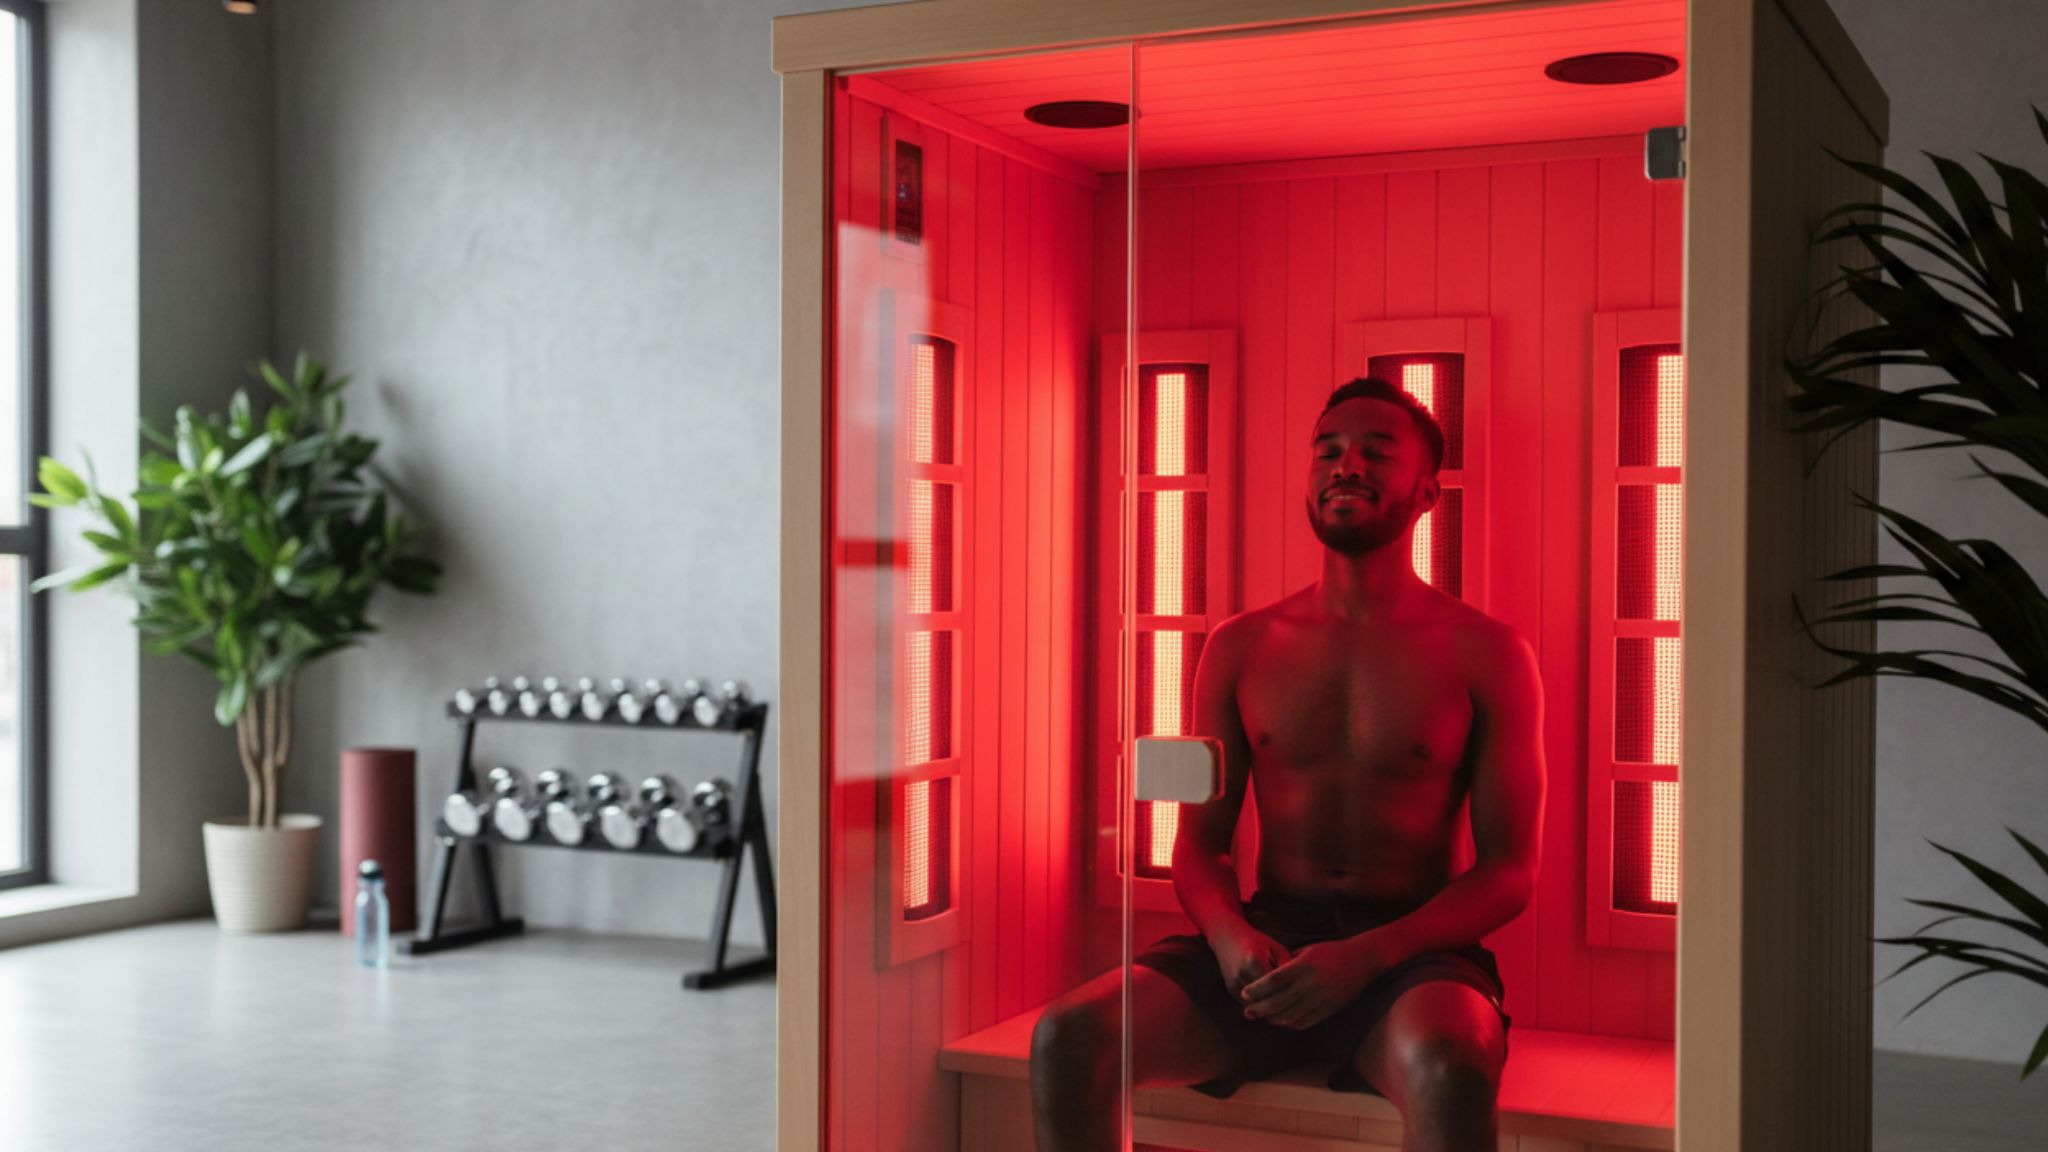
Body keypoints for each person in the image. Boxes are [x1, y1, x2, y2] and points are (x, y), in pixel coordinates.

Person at [1030, 377, 1546, 1152]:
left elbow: (1510, 871)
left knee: (1451, 1073)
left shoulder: (1489, 653)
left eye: (1377, 451)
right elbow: (1198, 845)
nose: (1347, 466)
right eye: (1329, 450)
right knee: (1068, 1039)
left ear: (1428, 492)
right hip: (1267, 941)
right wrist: (1230, 935)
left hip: (1411, 957)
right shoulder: (1240, 646)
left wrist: (1368, 955)